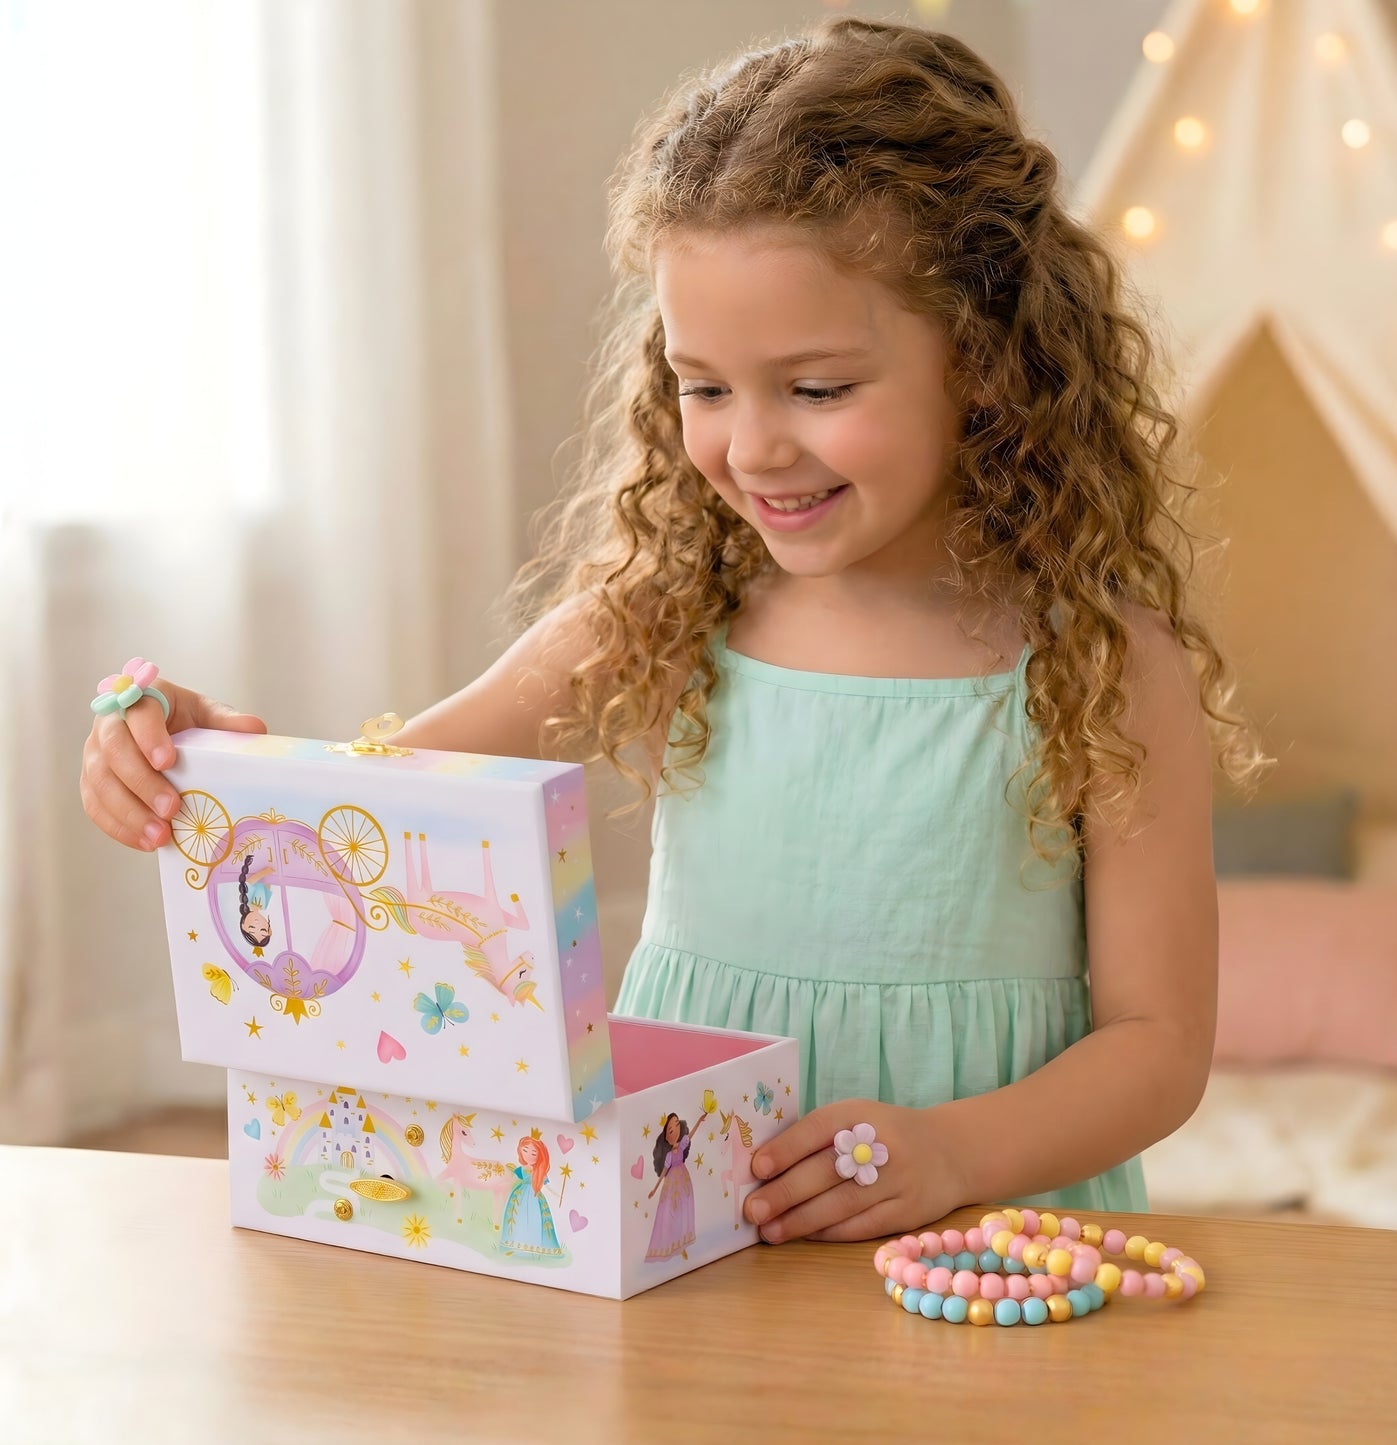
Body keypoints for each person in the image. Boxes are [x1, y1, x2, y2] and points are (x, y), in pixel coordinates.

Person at [79, 17, 1262, 1244]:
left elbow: (1157, 1046)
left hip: (986, 1246)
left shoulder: (1099, 665)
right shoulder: (667, 609)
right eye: (704, 385)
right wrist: (203, 759)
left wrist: (955, 1148)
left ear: (983, 358)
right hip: (691, 1232)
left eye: (815, 388)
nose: (751, 447)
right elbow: (386, 797)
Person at [645, 1109, 709, 1263]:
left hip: (683, 1180)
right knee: (671, 1212)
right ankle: (671, 1246)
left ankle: (682, 1246)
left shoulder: (681, 1146)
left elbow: (691, 1135)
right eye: (671, 1129)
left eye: (677, 1125)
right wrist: (655, 1188)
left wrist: (699, 1121)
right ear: (667, 1136)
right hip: (672, 1183)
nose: (675, 1130)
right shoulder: (668, 1156)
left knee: (684, 1209)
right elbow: (664, 1172)